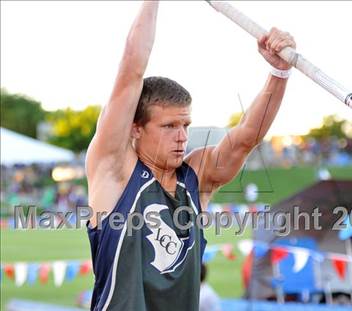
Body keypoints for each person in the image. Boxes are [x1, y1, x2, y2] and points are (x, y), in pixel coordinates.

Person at [85, 1, 296, 310]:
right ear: (135, 129)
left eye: (185, 124)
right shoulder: (114, 169)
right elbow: (131, 68)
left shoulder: (196, 178)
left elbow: (245, 139)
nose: (182, 136)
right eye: (169, 126)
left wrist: (279, 71)